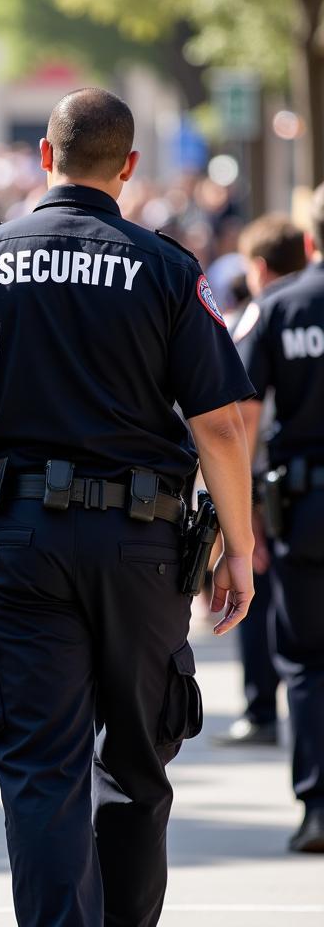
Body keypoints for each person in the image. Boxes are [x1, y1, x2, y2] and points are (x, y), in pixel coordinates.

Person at [0, 88, 256, 927]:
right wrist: (235, 546)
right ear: (128, 167)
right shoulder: (166, 267)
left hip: (24, 539)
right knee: (135, 760)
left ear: (44, 157)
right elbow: (224, 429)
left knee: (40, 770)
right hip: (143, 549)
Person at [233, 186, 324, 853]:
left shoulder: (278, 307)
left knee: (310, 660)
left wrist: (242, 524)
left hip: (306, 508)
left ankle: (320, 806)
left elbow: (236, 422)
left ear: (310, 239)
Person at [215, 214, 307, 748]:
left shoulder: (261, 317)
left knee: (259, 598)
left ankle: (262, 710)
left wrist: (239, 506)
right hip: (294, 486)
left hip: (275, 490)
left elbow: (240, 420)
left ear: (258, 267)